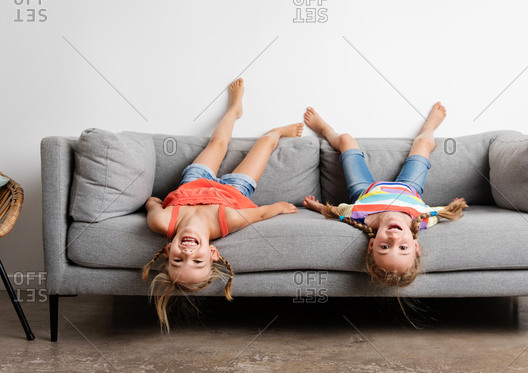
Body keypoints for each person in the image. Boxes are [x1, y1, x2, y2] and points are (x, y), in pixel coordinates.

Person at [142, 78, 302, 332]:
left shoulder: (161, 221)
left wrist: (153, 202)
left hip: (195, 182)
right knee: (267, 142)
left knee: (217, 143)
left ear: (166, 251)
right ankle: (276, 132)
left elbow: (152, 204)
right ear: (213, 254)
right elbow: (259, 214)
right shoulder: (226, 221)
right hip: (234, 190)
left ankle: (234, 110)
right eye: (197, 262)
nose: (187, 254)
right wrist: (279, 207)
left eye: (177, 261)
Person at [302, 103, 467, 287]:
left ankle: (325, 129)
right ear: (415, 246)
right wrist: (452, 207)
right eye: (403, 248)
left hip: (365, 189)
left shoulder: (360, 216)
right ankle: (429, 128)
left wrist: (318, 207)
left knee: (347, 140)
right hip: (409, 188)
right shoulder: (422, 220)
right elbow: (440, 212)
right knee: (423, 143)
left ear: (371, 245)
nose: (394, 239)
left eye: (385, 247)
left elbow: (336, 210)